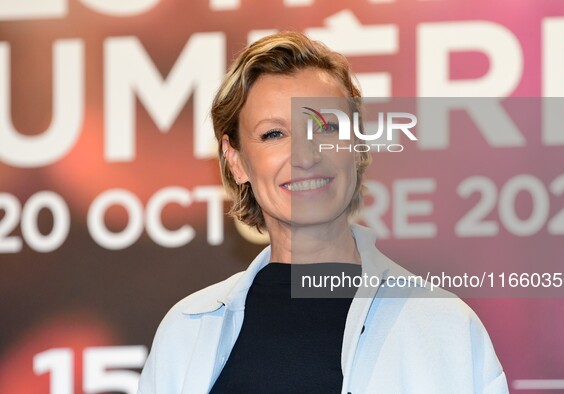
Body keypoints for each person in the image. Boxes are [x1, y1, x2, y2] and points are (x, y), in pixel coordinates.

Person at [137, 32, 508, 394]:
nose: (305, 156)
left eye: (325, 127)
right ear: (236, 162)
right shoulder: (186, 331)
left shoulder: (444, 327)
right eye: (273, 134)